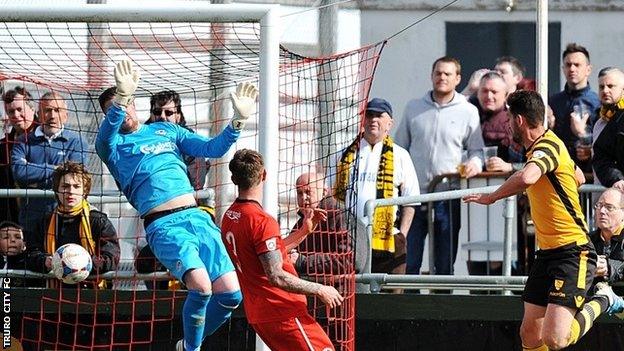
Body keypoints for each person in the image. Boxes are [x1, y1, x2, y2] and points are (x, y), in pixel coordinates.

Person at [96, 60, 256, 351]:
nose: (123, 111)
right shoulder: (112, 146)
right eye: (114, 110)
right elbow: (106, 135)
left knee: (232, 295)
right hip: (164, 225)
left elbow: (212, 148)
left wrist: (237, 122)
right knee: (201, 287)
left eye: (127, 102)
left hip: (197, 218)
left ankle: (186, 345)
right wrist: (118, 98)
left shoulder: (165, 131)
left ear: (135, 104)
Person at [463, 90, 624, 350]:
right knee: (530, 334)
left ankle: (603, 300)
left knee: (556, 339)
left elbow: (527, 178)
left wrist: (492, 197)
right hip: (548, 253)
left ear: (519, 121)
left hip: (574, 253)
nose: (506, 126)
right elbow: (578, 177)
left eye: (508, 120)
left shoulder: (547, 146)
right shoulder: (547, 147)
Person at [220, 149, 343, 351]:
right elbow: (276, 275)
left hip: (260, 313)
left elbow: (265, 255)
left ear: (234, 179)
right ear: (264, 175)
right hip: (282, 311)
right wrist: (320, 289)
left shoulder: (230, 216)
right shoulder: (261, 221)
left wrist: (304, 231)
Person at [395, 56, 484, 276]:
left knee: (444, 264)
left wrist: (474, 164)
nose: (442, 77)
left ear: (458, 79)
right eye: (438, 73)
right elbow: (399, 148)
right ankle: (409, 307)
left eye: (447, 74)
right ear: (431, 76)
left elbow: (476, 151)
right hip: (413, 198)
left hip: (447, 197)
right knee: (410, 260)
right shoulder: (414, 108)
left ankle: (442, 306)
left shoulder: (468, 111)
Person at [333, 98, 419, 274]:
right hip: (349, 239)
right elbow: (330, 195)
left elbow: (411, 201)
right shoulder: (343, 154)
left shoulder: (400, 155)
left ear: (389, 123)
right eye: (369, 115)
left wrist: (402, 235)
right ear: (362, 120)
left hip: (389, 239)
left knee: (391, 295)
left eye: (379, 115)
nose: (373, 120)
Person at [24, 162, 120, 288]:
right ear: (56, 190)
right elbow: (31, 254)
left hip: (93, 292)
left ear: (84, 191)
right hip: (54, 292)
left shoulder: (97, 220)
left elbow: (112, 257)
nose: (71, 192)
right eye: (65, 186)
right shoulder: (45, 222)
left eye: (76, 186)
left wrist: (83, 264)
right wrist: (46, 261)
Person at [11, 91, 87, 235]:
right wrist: (58, 170)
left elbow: (75, 175)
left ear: (66, 115)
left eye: (57, 110)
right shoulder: (23, 140)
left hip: (67, 219)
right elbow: (19, 172)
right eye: (47, 110)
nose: (52, 115)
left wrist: (33, 171)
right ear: (39, 115)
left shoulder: (77, 142)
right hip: (31, 220)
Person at [549, 43, 600, 174]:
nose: (572, 69)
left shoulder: (598, 104)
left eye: (577, 65)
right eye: (568, 65)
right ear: (563, 69)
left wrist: (585, 140)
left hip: (586, 173)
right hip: (558, 171)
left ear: (588, 69)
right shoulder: (553, 102)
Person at [289, 171, 352, 275]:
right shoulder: (300, 224)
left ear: (324, 192)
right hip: (309, 289)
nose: (303, 198)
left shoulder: (342, 217)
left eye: (308, 192)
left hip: (340, 290)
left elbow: (350, 259)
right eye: (299, 193)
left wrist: (303, 262)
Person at [147, 89, 210, 191]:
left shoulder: (190, 144)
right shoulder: (138, 139)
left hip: (181, 199)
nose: (162, 116)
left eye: (168, 113)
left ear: (178, 116)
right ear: (151, 114)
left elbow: (196, 186)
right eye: (157, 112)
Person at [1, 87, 37, 223]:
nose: (15, 115)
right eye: (11, 111)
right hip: (11, 215)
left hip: (41, 211)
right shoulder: (3, 145)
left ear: (32, 109)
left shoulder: (47, 139)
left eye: (19, 109)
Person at [592, 67, 624, 189]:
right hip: (603, 193)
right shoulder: (599, 121)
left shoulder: (620, 117)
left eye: (611, 86)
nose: (605, 90)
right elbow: (601, 156)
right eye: (601, 87)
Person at [589, 188, 624, 292]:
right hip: (595, 297)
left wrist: (608, 267)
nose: (602, 211)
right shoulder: (588, 240)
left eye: (609, 207)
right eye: (599, 206)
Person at [0, 221, 41, 287]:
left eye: (18, 237)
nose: (13, 240)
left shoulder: (30, 262)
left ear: (24, 244)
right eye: (6, 237)